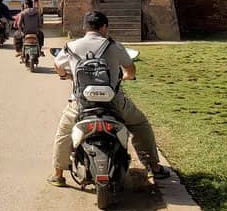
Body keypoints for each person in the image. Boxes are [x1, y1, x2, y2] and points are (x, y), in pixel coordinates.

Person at [48, 10, 169, 186]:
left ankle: (58, 175)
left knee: (64, 132)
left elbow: (57, 65)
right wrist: (125, 76)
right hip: (114, 103)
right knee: (140, 124)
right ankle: (154, 167)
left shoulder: (71, 46)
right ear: (104, 27)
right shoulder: (114, 46)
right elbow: (130, 69)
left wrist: (66, 75)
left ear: (84, 27)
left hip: (81, 103)